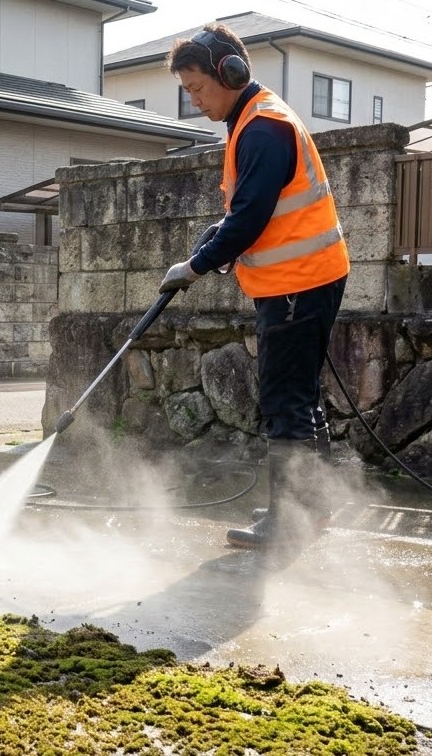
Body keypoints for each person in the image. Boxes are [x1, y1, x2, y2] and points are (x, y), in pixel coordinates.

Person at [158, 24, 348, 549]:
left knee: (285, 399)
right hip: (301, 279)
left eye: (197, 88)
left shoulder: (264, 128)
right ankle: (313, 506)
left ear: (231, 73)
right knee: (299, 396)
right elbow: (251, 211)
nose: (194, 101)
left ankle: (290, 521)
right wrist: (219, 237)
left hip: (297, 283)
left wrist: (195, 266)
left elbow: (251, 218)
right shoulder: (251, 121)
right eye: (188, 92)